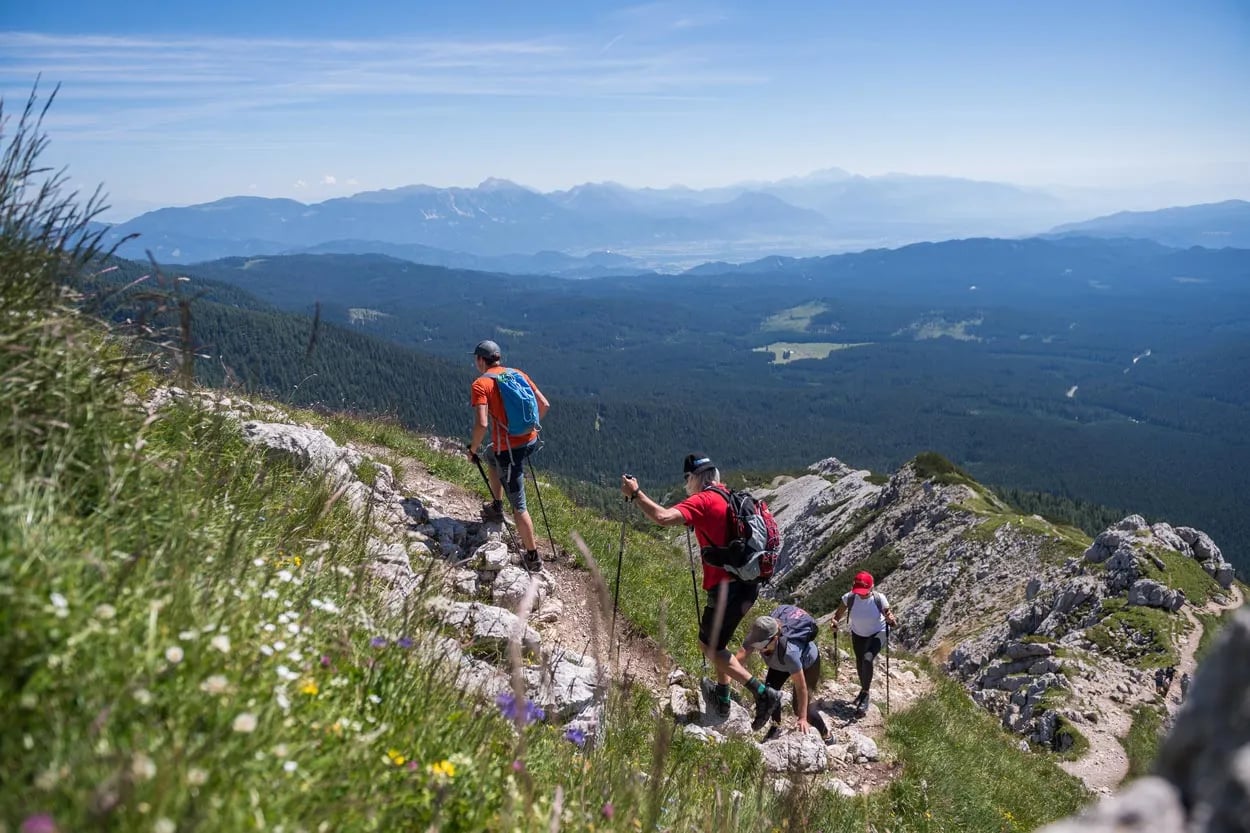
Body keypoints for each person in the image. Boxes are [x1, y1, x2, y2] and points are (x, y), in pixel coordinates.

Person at [621, 454, 780, 727]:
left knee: (708, 647)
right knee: (719, 643)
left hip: (727, 590)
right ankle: (722, 694)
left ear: (693, 479)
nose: (686, 485)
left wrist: (636, 493)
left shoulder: (704, 500)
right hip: (748, 586)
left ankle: (763, 693)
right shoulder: (728, 495)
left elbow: (662, 517)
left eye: (687, 480)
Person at [467, 340, 550, 573]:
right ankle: (496, 505)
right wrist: (525, 432)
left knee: (520, 506)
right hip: (532, 440)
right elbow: (544, 405)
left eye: (476, 359)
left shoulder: (481, 384)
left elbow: (482, 424)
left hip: (509, 451)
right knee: (490, 456)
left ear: (481, 360)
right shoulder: (517, 373)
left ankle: (533, 557)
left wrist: (472, 449)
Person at [737, 607, 830, 742]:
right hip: (779, 662)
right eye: (755, 644)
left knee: (800, 709)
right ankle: (775, 727)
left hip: (807, 664)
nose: (758, 649)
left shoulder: (790, 653)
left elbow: (801, 688)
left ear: (775, 638)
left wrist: (802, 718)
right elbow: (738, 659)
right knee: (771, 695)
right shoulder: (759, 635)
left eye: (761, 645)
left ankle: (826, 734)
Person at [828, 571, 897, 717]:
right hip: (858, 633)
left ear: (872, 588)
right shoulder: (850, 598)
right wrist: (834, 622)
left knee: (867, 658)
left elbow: (891, 619)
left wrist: (891, 619)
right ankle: (863, 689)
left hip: (878, 632)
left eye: (864, 592)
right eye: (859, 591)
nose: (861, 594)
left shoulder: (879, 599)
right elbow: (837, 615)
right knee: (859, 662)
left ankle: (865, 694)